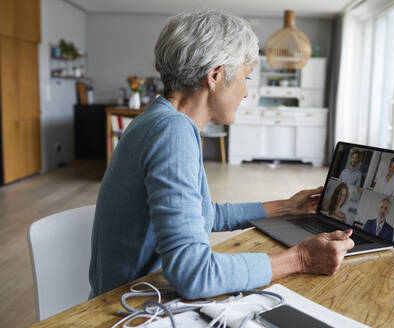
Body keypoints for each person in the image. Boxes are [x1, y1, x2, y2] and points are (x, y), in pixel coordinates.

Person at [89, 10, 354, 300]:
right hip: (130, 309)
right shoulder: (173, 132)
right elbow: (195, 274)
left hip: (128, 296)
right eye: (245, 77)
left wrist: (287, 207)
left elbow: (203, 214)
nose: (245, 93)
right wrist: (300, 258)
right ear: (215, 76)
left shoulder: (154, 119)